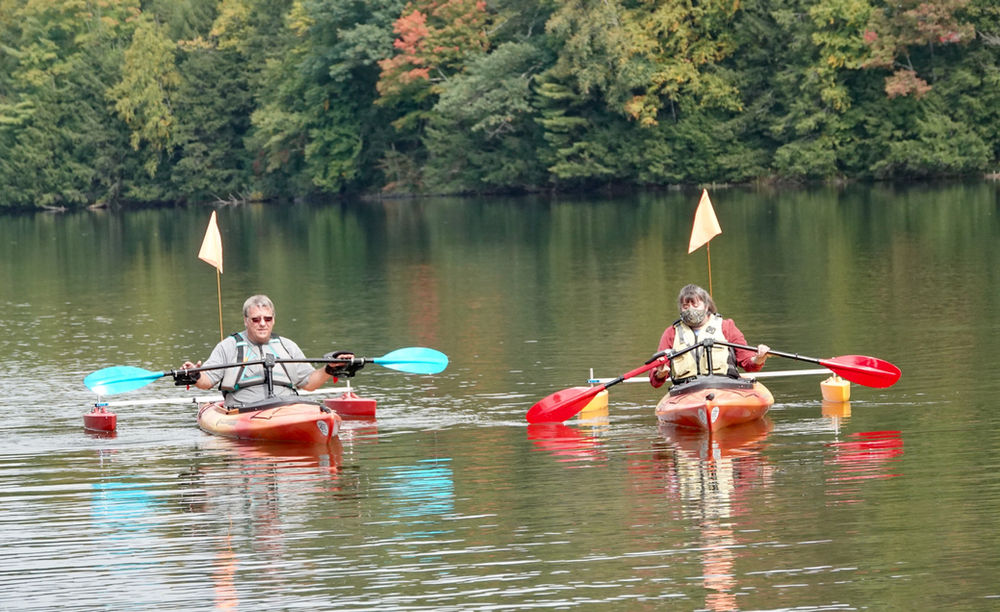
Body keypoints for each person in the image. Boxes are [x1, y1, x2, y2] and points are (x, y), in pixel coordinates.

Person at [177, 294, 361, 407]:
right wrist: (195, 375)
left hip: (287, 406)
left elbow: (308, 383)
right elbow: (207, 381)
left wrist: (330, 369)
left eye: (267, 318)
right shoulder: (229, 346)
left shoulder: (287, 346)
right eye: (256, 319)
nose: (263, 324)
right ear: (246, 321)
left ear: (273, 320)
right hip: (244, 409)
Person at [649, 284, 769, 388]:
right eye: (685, 307)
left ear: (706, 306)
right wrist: (660, 373)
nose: (690, 310)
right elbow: (655, 380)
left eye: (695, 305)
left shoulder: (726, 326)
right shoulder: (671, 333)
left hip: (724, 386)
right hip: (686, 389)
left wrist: (758, 359)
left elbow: (748, 363)